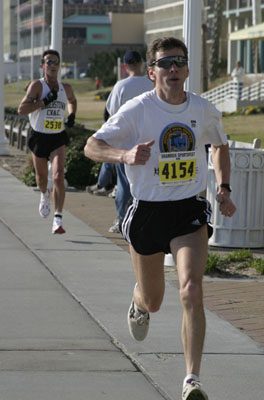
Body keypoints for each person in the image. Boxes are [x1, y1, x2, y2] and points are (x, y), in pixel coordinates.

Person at [84, 37, 236, 400]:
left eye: (179, 62)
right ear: (151, 71)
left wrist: (224, 187)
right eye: (165, 63)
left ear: (186, 70)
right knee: (154, 299)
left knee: (191, 289)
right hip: (148, 211)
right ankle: (139, 303)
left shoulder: (202, 108)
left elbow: (220, 145)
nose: (173, 69)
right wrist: (124, 155)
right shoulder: (138, 110)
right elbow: (92, 146)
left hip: (188, 210)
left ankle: (191, 380)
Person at [18, 49, 77, 234]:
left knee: (58, 175)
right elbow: (22, 109)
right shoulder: (37, 86)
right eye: (49, 62)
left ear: (59, 66)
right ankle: (44, 194)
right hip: (39, 136)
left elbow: (72, 100)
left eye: (55, 62)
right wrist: (43, 102)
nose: (52, 65)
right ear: (43, 66)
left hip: (58, 136)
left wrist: (72, 114)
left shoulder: (65, 87)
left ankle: (58, 219)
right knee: (42, 178)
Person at [105, 50, 154, 233]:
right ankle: (145, 220)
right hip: (150, 142)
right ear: (142, 63)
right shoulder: (151, 84)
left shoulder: (121, 86)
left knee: (124, 186)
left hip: (126, 144)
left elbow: (112, 113)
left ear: (125, 66)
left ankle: (122, 221)